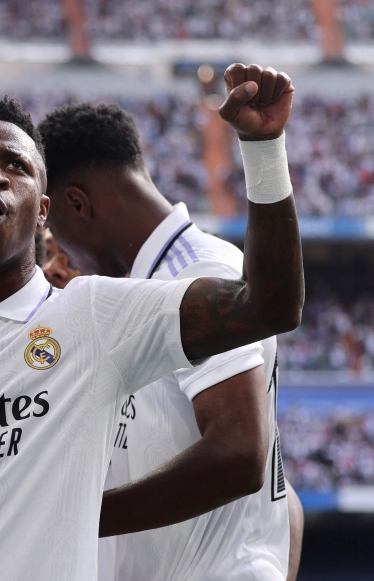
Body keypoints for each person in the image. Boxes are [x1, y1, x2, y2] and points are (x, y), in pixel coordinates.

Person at [0, 64, 304, 581]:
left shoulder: (95, 315)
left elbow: (269, 308)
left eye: (16, 165)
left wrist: (263, 151)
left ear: (46, 211)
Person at [40, 100, 305, 581]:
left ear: (77, 204)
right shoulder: (149, 284)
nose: (63, 255)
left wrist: (78, 518)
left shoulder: (194, 271)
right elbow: (280, 487)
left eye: (54, 230)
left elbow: (240, 454)